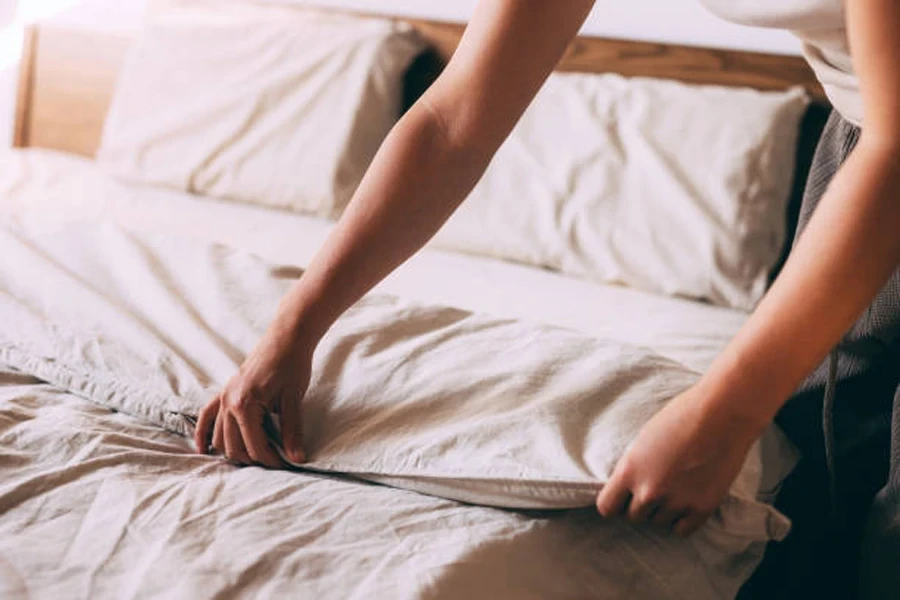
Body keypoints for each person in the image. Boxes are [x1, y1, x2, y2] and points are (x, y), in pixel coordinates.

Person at [195, 1, 899, 596]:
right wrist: (293, 329)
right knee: (826, 484)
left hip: (888, 154)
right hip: (865, 131)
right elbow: (453, 121)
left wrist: (720, 413)